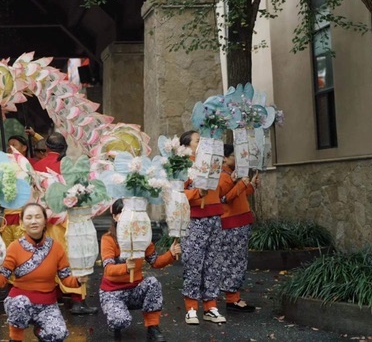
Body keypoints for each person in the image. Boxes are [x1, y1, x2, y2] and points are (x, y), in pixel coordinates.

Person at [0, 203, 87, 342]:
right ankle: (15, 338)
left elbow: (66, 278)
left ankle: (40, 329)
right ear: (22, 222)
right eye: (29, 217)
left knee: (58, 334)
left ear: (45, 220)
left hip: (47, 304)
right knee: (19, 304)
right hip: (20, 302)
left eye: (38, 217)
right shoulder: (14, 247)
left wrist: (78, 280)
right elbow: (1, 279)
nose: (33, 221)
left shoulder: (56, 247)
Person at [32, 133, 97, 315]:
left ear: (47, 148)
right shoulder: (70, 167)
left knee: (50, 257)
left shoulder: (36, 166)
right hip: (68, 220)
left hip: (45, 220)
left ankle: (55, 295)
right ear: (64, 147)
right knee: (73, 258)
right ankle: (77, 299)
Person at [100, 199, 179, 341]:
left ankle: (153, 328)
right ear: (114, 217)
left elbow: (155, 262)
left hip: (134, 290)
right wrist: (125, 267)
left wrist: (171, 254)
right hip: (113, 292)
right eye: (122, 213)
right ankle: (115, 326)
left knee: (153, 283)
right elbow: (108, 270)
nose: (127, 217)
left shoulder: (142, 238)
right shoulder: (108, 239)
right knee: (120, 320)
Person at [179, 130, 226, 325]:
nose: (202, 143)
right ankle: (191, 307)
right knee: (194, 262)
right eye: (198, 141)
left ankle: (211, 306)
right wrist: (197, 193)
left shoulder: (212, 163)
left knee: (213, 263)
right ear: (187, 145)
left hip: (214, 217)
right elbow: (177, 195)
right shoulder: (182, 166)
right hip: (195, 219)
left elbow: (221, 191)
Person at [218, 144, 258, 313]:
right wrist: (241, 184)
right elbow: (225, 198)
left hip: (240, 222)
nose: (237, 158)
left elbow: (240, 194)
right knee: (234, 261)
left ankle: (235, 297)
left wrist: (251, 185)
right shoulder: (222, 176)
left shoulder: (230, 175)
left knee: (238, 260)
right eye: (233, 155)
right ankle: (232, 299)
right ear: (225, 158)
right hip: (232, 223)